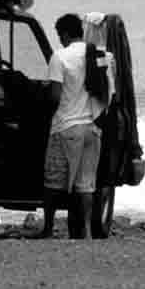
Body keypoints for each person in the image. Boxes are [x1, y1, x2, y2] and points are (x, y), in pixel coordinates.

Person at [35, 14, 106, 240]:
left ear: (65, 34)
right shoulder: (98, 55)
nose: (59, 39)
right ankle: (85, 230)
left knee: (53, 181)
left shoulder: (60, 57)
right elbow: (107, 91)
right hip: (92, 128)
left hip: (66, 127)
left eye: (59, 35)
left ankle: (48, 228)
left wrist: (44, 109)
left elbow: (55, 95)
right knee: (86, 184)